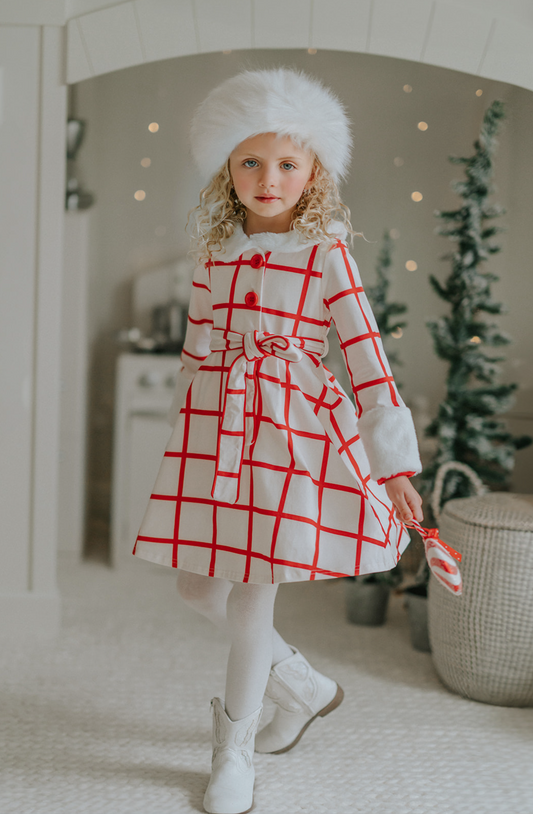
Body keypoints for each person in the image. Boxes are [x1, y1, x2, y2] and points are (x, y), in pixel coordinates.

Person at [133, 68, 424, 814]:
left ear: (314, 171)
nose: (269, 179)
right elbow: (196, 354)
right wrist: (184, 446)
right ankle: (304, 687)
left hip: (290, 440)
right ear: (226, 169)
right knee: (197, 587)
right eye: (250, 161)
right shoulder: (213, 256)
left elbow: (367, 359)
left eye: (287, 163)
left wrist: (392, 462)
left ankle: (232, 754)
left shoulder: (325, 254)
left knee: (252, 600)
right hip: (216, 439)